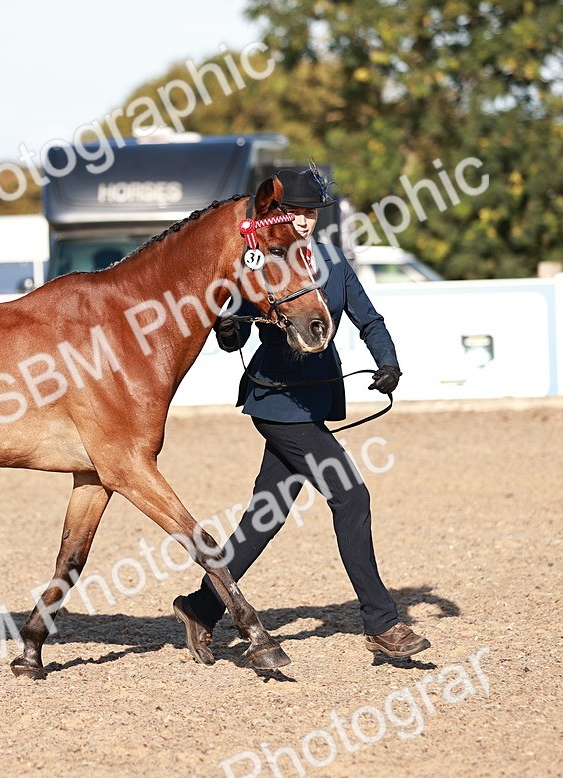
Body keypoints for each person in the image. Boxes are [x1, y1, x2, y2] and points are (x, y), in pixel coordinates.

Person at [172, 166, 431, 664]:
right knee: (351, 497)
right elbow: (238, 331)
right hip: (276, 403)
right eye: (298, 213)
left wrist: (388, 361)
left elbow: (367, 317)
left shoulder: (331, 261)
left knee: (263, 519)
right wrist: (229, 330)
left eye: (312, 214)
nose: (307, 222)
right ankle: (381, 623)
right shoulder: (265, 262)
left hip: (314, 401)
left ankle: (201, 607)